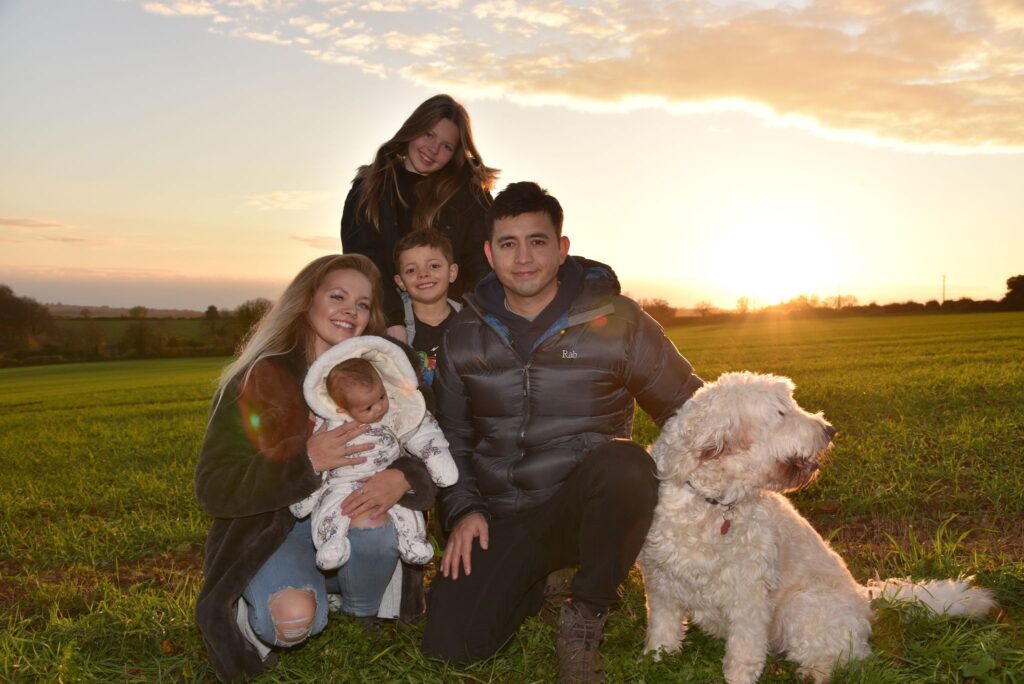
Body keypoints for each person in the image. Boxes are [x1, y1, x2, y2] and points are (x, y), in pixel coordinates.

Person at [421, 182, 704, 683]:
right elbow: (451, 439)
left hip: (585, 510)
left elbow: (689, 409)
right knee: (452, 646)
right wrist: (463, 509)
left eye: (537, 241)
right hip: (503, 515)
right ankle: (539, 580)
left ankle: (586, 611)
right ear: (489, 253)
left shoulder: (616, 320)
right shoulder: (463, 335)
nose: (523, 258)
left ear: (562, 248)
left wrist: (726, 485)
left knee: (627, 465)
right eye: (508, 244)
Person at [194, 254, 438, 682]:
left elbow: (426, 438)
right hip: (275, 530)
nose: (351, 311)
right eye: (338, 297)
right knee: (292, 621)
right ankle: (269, 602)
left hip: (352, 513)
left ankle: (361, 612)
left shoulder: (380, 369)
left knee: (371, 519)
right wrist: (306, 460)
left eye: (363, 304)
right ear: (306, 300)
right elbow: (214, 486)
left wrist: (404, 476)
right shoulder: (258, 378)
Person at [290, 337, 457, 570]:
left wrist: (437, 462)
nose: (379, 408)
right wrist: (303, 496)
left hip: (384, 475)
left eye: (381, 397)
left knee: (406, 510)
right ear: (342, 408)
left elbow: (423, 432)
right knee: (332, 509)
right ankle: (332, 543)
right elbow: (316, 459)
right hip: (342, 483)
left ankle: (414, 542)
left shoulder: (395, 412)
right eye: (368, 407)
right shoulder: (329, 425)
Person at [340, 93, 497, 340]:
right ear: (413, 129)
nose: (433, 150)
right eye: (429, 135)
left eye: (446, 146)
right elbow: (362, 259)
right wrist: (391, 319)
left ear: (455, 153)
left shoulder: (469, 195)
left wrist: (476, 322)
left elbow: (481, 264)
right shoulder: (369, 187)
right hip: (385, 317)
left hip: (451, 322)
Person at [393, 229, 462, 385]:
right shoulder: (395, 328)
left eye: (434, 266)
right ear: (401, 282)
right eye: (411, 270)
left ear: (452, 272)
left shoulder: (470, 322)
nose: (423, 274)